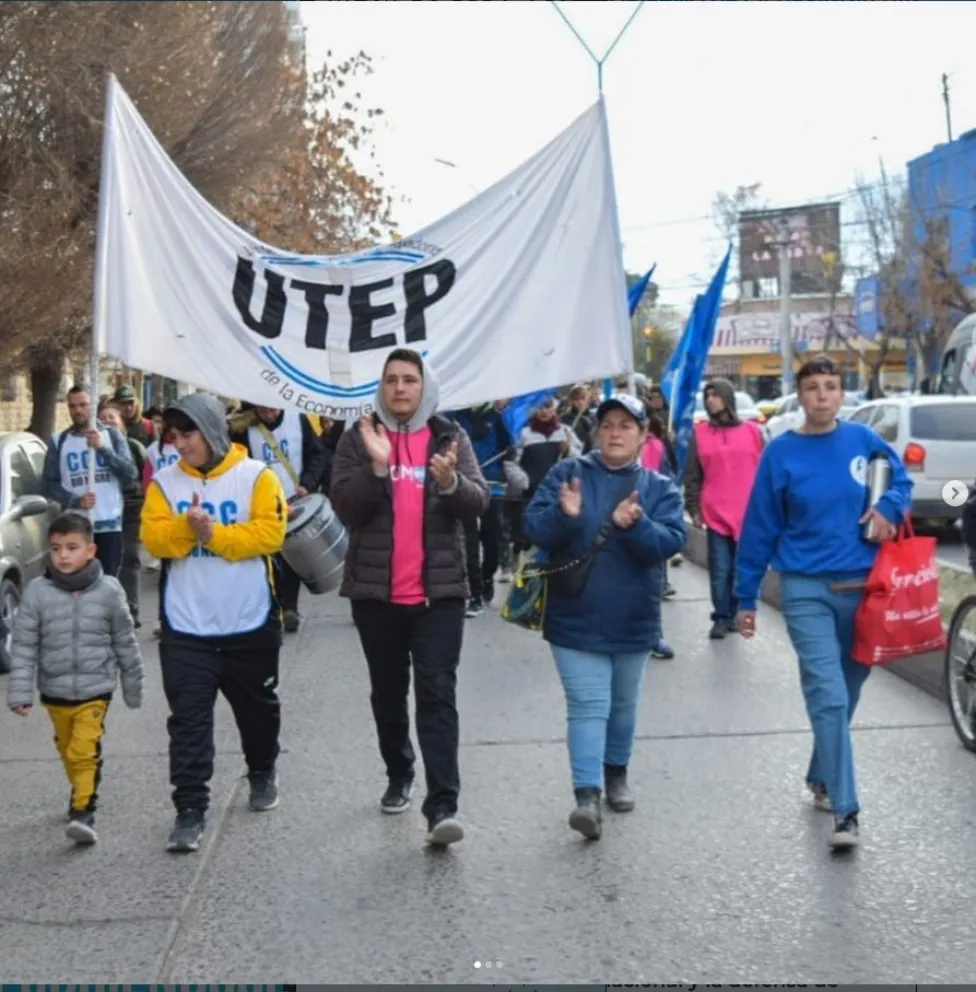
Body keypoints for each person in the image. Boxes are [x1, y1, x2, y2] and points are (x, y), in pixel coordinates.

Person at [735, 355, 913, 851]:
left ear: (841, 393)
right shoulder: (781, 453)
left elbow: (900, 480)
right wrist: (745, 596)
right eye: (813, 387)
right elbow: (759, 526)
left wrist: (888, 507)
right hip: (805, 590)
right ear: (800, 395)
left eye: (831, 386)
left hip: (864, 590)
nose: (822, 396)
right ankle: (845, 809)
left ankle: (820, 773)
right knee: (827, 695)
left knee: (847, 693)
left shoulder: (863, 439)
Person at [330, 349, 489, 848]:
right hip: (376, 596)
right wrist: (378, 468)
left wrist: (450, 483)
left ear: (425, 387)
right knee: (388, 693)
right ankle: (399, 771)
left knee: (437, 694)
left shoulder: (450, 437)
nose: (400, 389)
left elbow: (478, 502)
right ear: (381, 387)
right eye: (392, 380)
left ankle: (442, 805)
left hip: (439, 595)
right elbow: (344, 506)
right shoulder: (358, 437)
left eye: (410, 380)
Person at [523, 394, 686, 840]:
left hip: (634, 617)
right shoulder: (566, 473)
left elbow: (669, 543)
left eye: (626, 426)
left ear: (643, 435)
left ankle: (616, 772)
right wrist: (565, 515)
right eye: (608, 424)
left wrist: (637, 525)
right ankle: (587, 797)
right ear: (597, 431)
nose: (615, 433)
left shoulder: (659, 488)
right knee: (588, 705)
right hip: (573, 613)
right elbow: (533, 528)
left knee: (623, 704)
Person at [140, 394, 288, 854]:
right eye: (174, 436)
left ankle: (261, 769)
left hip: (249, 622)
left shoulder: (257, 476)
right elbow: (153, 539)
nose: (181, 444)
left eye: (189, 434)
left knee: (257, 711)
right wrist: (187, 528)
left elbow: (270, 534)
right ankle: (190, 808)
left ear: (213, 431)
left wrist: (213, 534)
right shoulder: (164, 483)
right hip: (187, 627)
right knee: (188, 722)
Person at [6, 511, 143, 845]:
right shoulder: (38, 592)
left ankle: (83, 811)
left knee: (83, 749)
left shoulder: (109, 591)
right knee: (68, 750)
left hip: (96, 689)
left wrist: (132, 685)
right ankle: (79, 790)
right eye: (56, 549)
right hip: (55, 692)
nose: (63, 555)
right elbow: (23, 646)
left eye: (71, 547)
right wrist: (20, 692)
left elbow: (125, 641)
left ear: (90, 550)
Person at [230, 404, 328, 632]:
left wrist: (307, 483)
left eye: (272, 411)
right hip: (261, 505)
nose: (269, 415)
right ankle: (271, 607)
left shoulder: (297, 419)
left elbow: (317, 455)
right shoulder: (244, 428)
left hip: (293, 501)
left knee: (290, 557)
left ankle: (289, 607)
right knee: (266, 557)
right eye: (263, 411)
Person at [684, 378, 765, 640]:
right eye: (707, 396)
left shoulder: (753, 432)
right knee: (720, 569)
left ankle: (737, 612)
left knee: (742, 568)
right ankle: (721, 617)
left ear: (727, 398)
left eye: (715, 395)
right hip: (715, 513)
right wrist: (694, 508)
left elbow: (766, 474)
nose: (710, 400)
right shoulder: (700, 434)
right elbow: (692, 476)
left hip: (748, 514)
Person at [43, 385, 138, 577]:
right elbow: (49, 483)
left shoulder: (112, 435)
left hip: (108, 523)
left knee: (106, 580)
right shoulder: (59, 440)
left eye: (83, 405)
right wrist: (75, 500)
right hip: (74, 525)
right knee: (75, 580)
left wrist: (102, 449)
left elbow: (130, 474)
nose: (77, 410)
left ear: (93, 405)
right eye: (72, 406)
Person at [444, 402, 514, 616]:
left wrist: (508, 453)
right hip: (464, 483)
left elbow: (508, 448)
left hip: (492, 485)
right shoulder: (454, 416)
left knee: (492, 537)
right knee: (468, 539)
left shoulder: (496, 418)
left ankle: (487, 577)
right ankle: (474, 592)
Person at [99, 401, 147, 628]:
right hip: (104, 510)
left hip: (130, 507)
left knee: (129, 556)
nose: (107, 422)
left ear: (123, 424)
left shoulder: (134, 447)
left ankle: (131, 607)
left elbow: (139, 476)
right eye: (102, 419)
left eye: (112, 418)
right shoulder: (90, 448)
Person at [561, 384, 595, 454]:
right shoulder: (564, 418)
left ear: (588, 399)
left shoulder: (595, 417)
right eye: (576, 399)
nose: (580, 402)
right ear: (571, 401)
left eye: (583, 398)